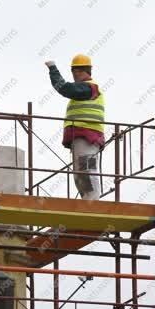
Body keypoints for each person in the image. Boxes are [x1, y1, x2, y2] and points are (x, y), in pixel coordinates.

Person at [44, 54, 105, 200]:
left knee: (86, 169)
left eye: (73, 72)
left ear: (78, 71)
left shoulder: (89, 88)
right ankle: (88, 199)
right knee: (79, 172)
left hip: (87, 136)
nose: (73, 75)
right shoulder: (86, 89)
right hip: (81, 136)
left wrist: (53, 69)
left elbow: (65, 88)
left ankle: (93, 200)